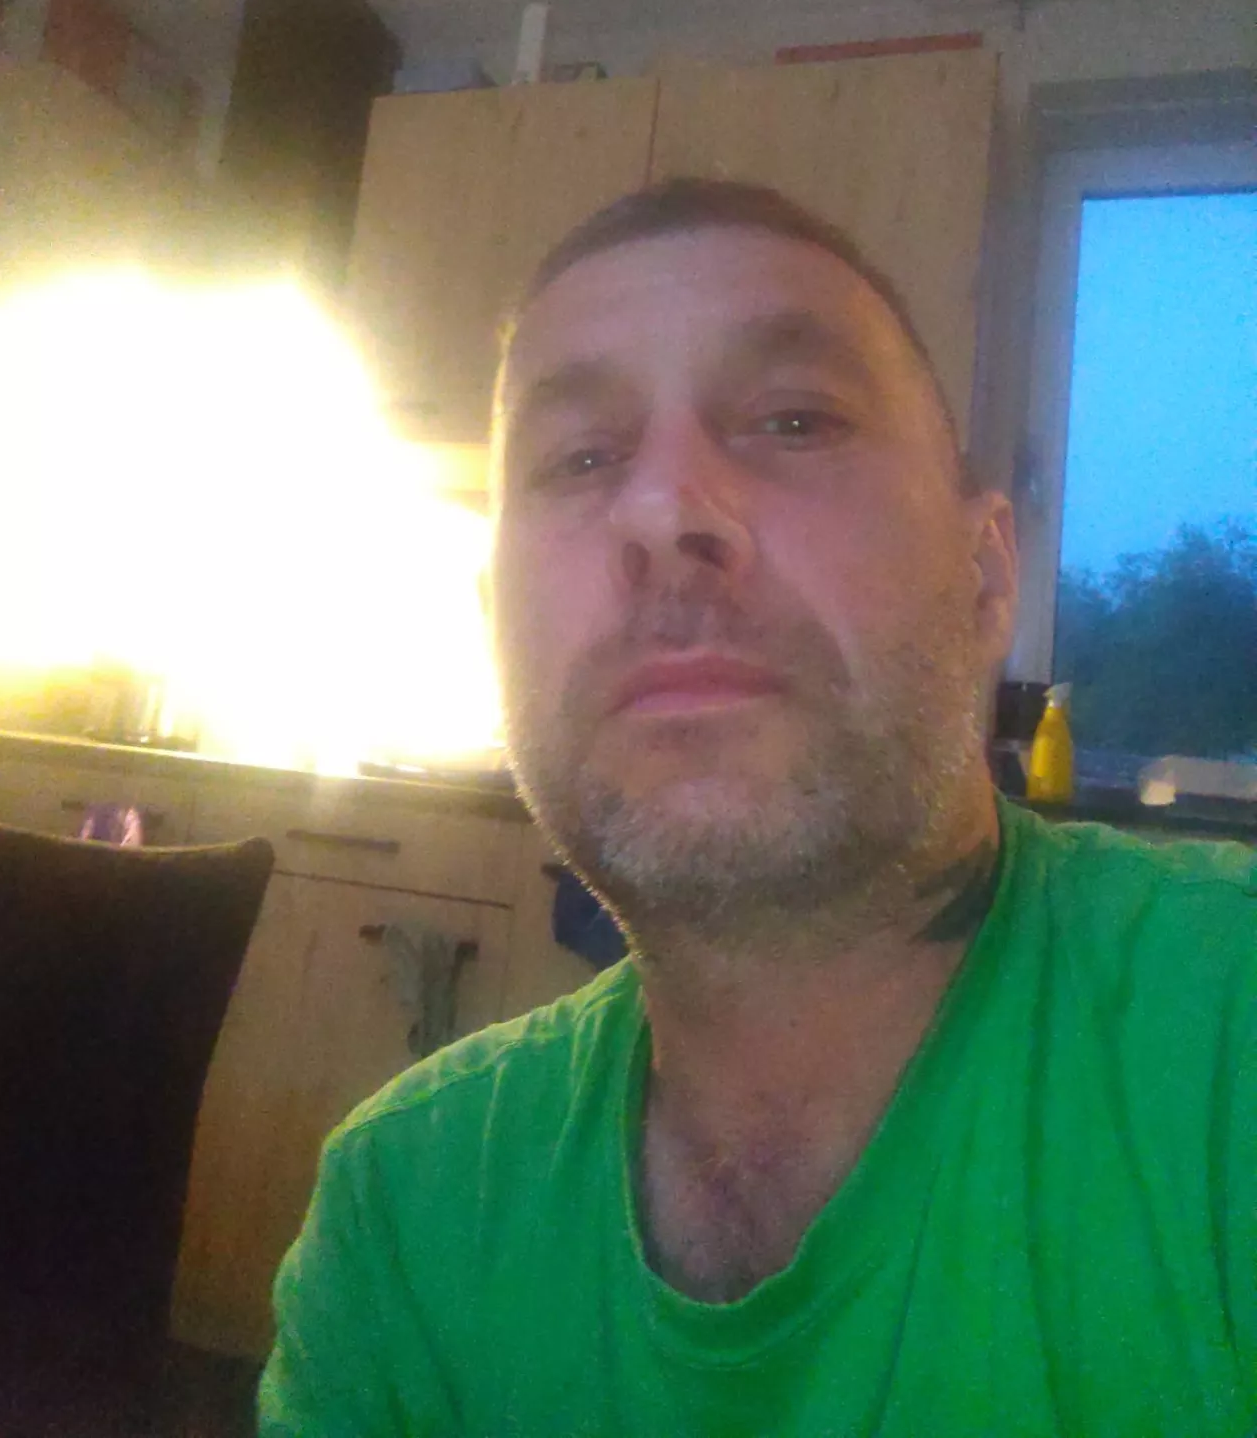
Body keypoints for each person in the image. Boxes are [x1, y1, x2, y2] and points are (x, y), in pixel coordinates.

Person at [259, 179, 1256, 1437]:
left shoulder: (1224, 1038)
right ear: (492, 626)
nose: (664, 512)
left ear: (984, 575)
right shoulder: (403, 1211)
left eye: (792, 420)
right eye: (580, 458)